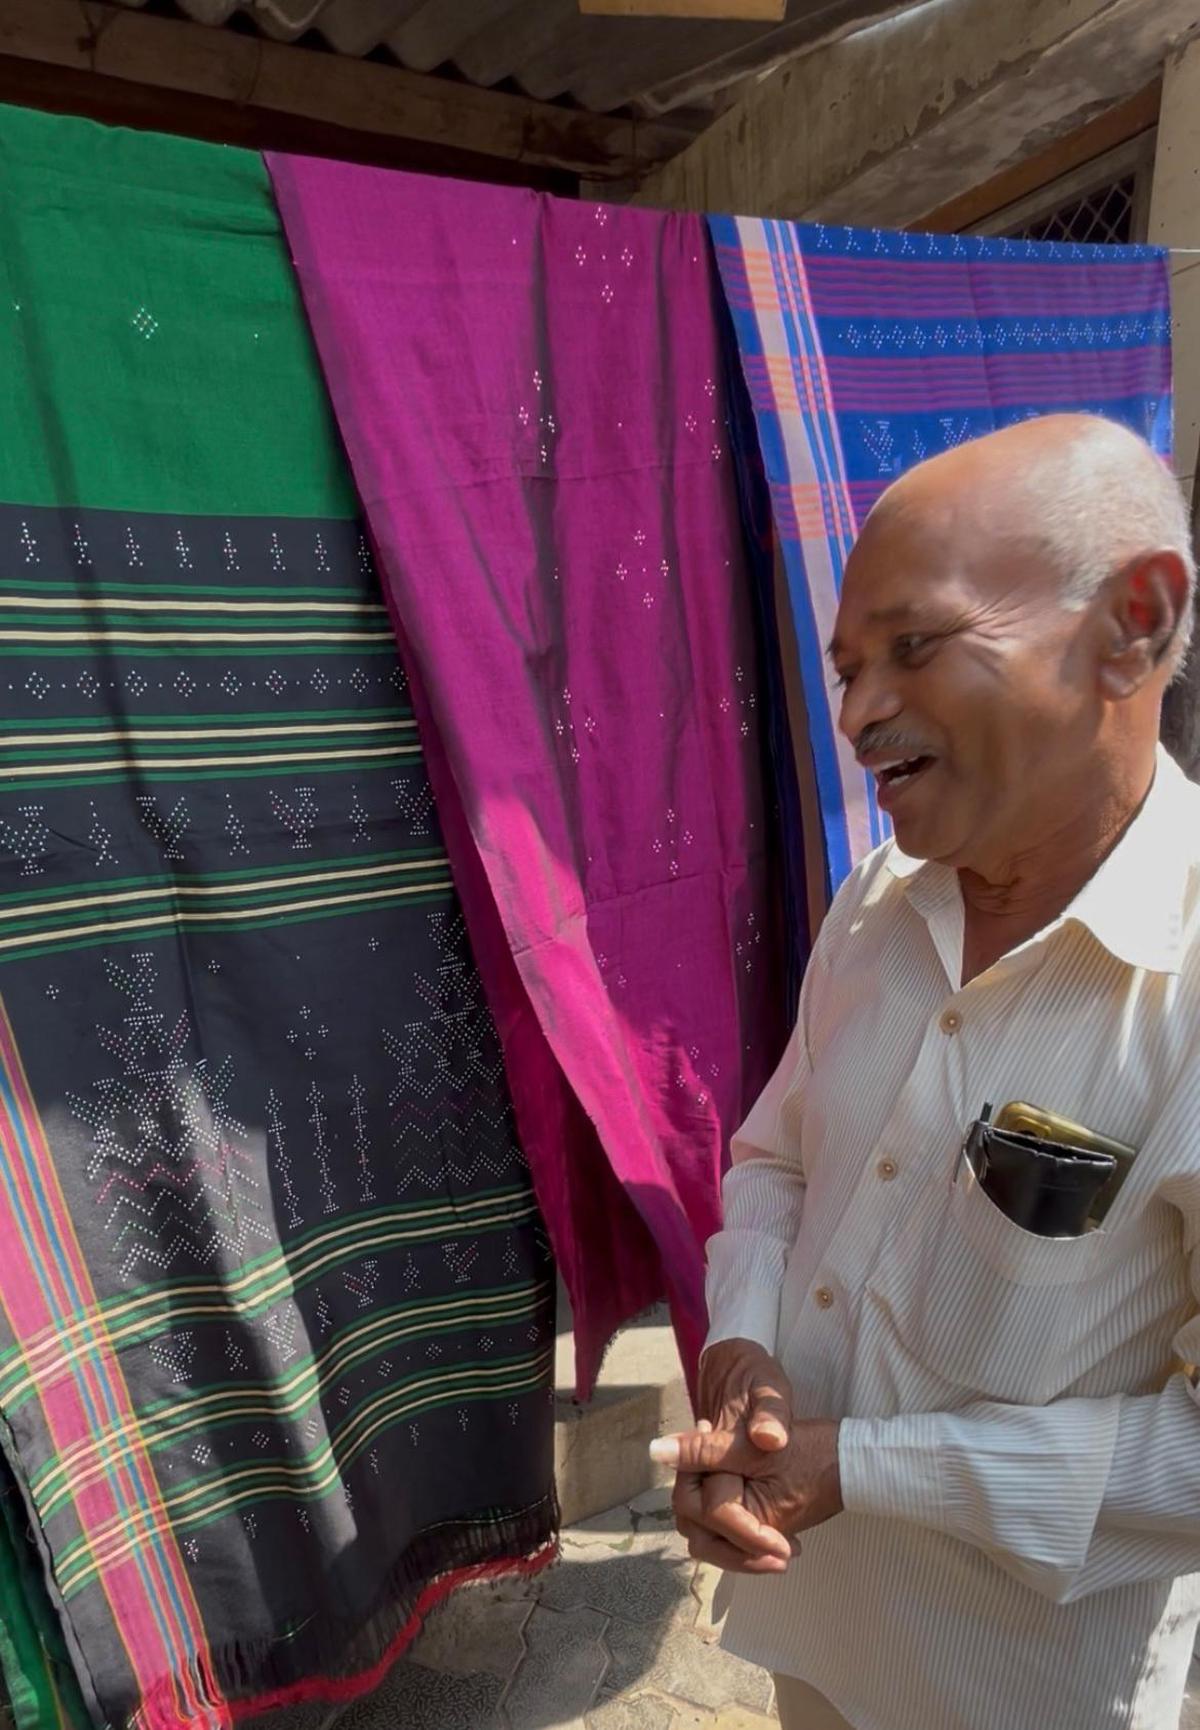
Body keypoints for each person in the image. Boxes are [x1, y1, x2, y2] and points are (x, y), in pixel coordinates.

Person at [651, 414, 1200, 1730]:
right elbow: (777, 1159)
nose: (857, 714)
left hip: (1025, 1687)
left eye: (913, 647)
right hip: (820, 1630)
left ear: (1135, 621)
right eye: (846, 668)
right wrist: (745, 1351)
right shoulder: (879, 903)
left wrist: (874, 1470)